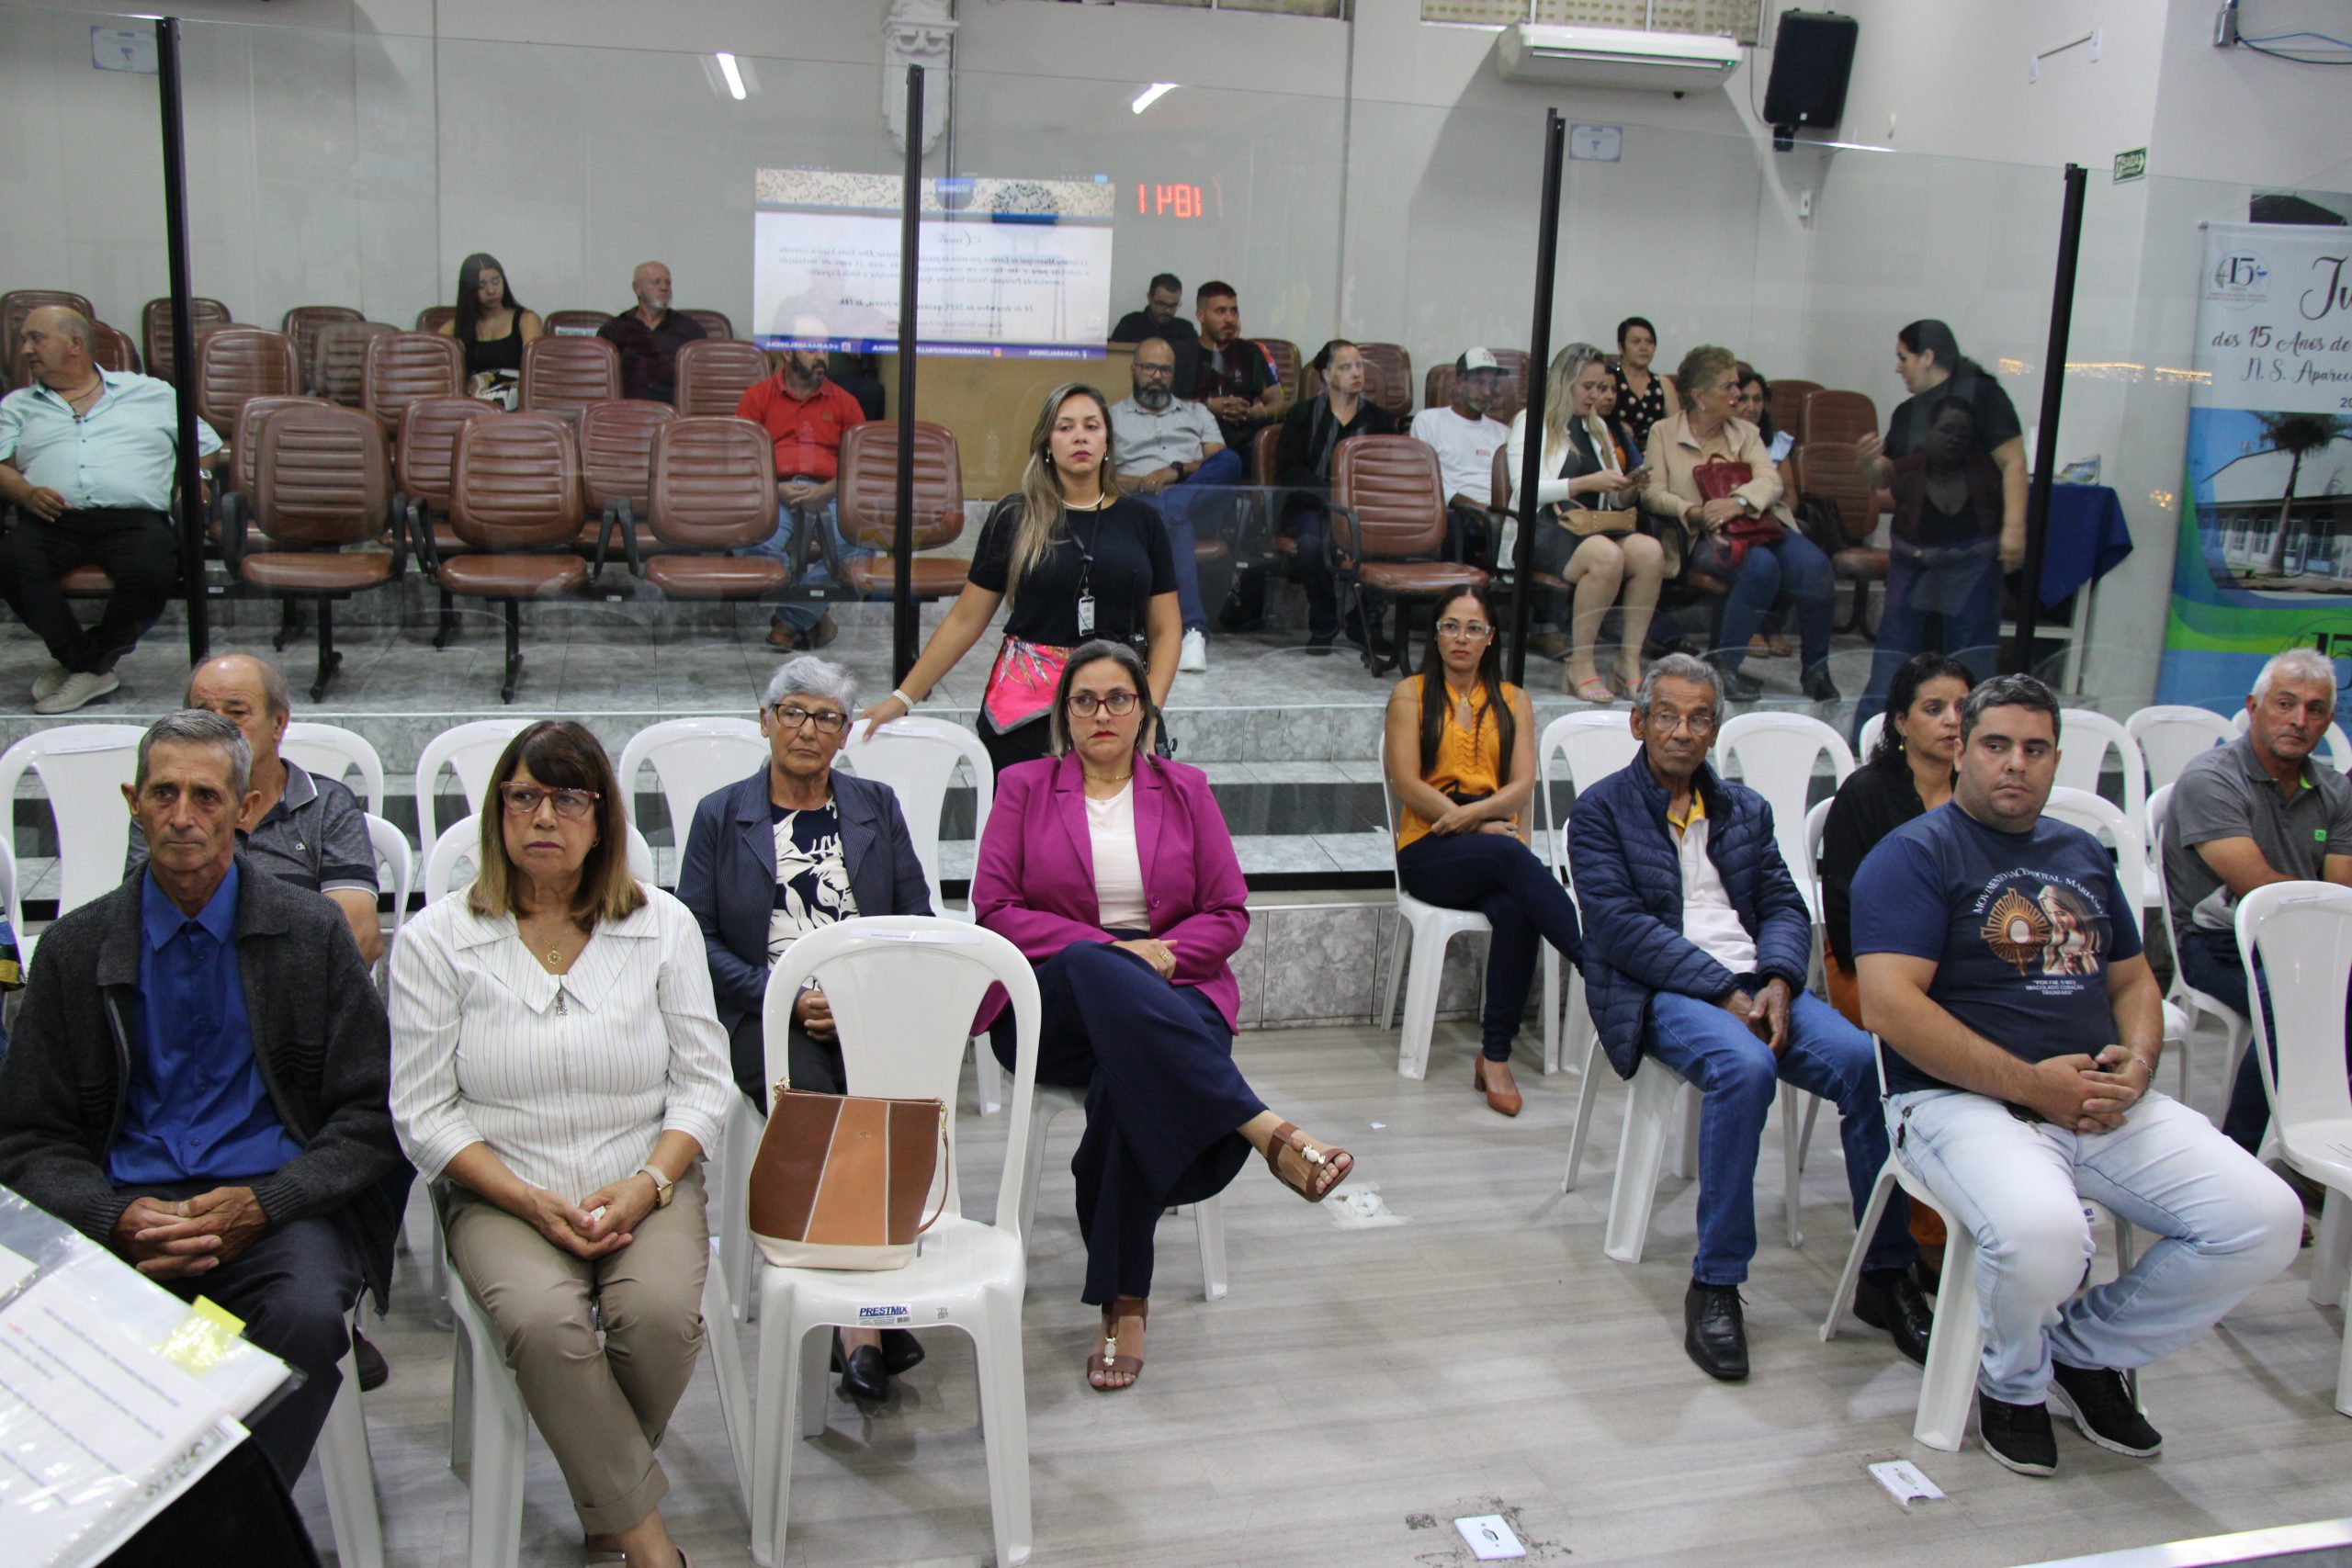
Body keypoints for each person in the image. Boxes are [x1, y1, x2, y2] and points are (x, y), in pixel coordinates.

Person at [1853, 673, 2301, 1477]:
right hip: (1958, 1103)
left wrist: (2138, 1060)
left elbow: (2133, 983)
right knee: (2048, 1235)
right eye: (1996, 745)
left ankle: (2084, 1349)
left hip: (2096, 1098)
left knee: (2265, 1217)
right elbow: (1889, 1007)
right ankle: (2012, 1382)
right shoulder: (1914, 854)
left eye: (2035, 749)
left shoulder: (2080, 852)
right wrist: (2034, 1086)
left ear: (2056, 760)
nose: (2015, 764)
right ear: (1962, 751)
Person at [0, 711, 407, 1486]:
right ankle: (208, 1514)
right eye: (164, 793)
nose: (182, 815)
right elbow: (26, 1137)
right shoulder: (75, 950)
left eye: (206, 796)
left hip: (270, 1214)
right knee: (60, 1339)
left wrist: (266, 1202)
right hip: (127, 1215)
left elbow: (369, 1114)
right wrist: (112, 1216)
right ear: (134, 803)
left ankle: (193, 1517)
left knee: (303, 1321)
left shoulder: (310, 934)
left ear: (246, 808)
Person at [389, 720, 730, 1568]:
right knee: (545, 1322)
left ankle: (604, 1496)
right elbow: (423, 1111)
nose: (545, 816)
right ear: (497, 812)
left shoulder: (663, 925)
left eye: (569, 798)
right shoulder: (437, 938)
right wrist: (527, 1199)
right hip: (501, 1187)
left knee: (658, 1318)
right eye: (525, 796)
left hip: (644, 1175)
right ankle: (647, 1543)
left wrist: (648, 1183)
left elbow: (704, 1084)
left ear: (602, 817)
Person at [973, 639, 1353, 1390]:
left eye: (1119, 698)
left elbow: (1228, 911)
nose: (1102, 713)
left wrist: (1166, 958)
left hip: (1173, 990)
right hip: (1053, 1005)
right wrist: (1116, 951)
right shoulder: (1022, 786)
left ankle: (1123, 1303)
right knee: (1093, 962)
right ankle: (1262, 1127)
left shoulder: (1186, 789)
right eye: (1085, 699)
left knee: (1127, 1085)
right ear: (1064, 714)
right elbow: (997, 909)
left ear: (1144, 712)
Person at [1570, 654, 1926, 1382]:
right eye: (1667, 715)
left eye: (1699, 717)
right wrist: (1723, 992)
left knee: (1866, 1063)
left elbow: (1785, 905)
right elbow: (1619, 929)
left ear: (1715, 730)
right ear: (1638, 722)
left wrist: (1779, 981)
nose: (1682, 731)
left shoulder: (1744, 809)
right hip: (1661, 988)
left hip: (1757, 985)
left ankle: (1885, 1271)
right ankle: (1717, 1282)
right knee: (1745, 1065)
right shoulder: (1601, 811)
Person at [675, 655, 934, 1404]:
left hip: (868, 1008)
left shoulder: (876, 805)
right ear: (766, 721)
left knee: (892, 1100)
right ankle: (862, 1325)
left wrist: (856, 997)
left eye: (826, 717)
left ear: (846, 733)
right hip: (764, 1012)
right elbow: (695, 935)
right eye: (793, 711)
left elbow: (915, 917)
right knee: (821, 1104)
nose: (808, 729)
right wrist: (785, 995)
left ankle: (862, 1301)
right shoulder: (721, 815)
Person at [854, 383, 1181, 774]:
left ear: (1107, 441)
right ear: (1046, 443)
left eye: (1092, 426)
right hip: (1025, 712)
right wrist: (903, 697)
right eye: (1065, 427)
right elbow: (965, 619)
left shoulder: (1143, 521)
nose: (1080, 436)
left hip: (1116, 709)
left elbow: (1166, 630)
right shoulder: (1014, 518)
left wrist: (1150, 712)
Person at [1382, 587, 1583, 1116]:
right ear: (1435, 634)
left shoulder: (1515, 700)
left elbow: (1521, 785)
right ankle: (1597, 962)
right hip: (1429, 844)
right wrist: (1468, 821)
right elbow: (1406, 783)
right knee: (1510, 856)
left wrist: (1479, 820)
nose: (1461, 638)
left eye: (1474, 628)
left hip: (1489, 837)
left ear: (1490, 638)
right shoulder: (1410, 694)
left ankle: (1495, 1057)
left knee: (1517, 907)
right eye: (1450, 626)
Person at [2161, 649, 2352, 1155]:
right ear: (2254, 707)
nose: (2299, 720)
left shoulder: (2335, 790)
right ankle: (2241, 1153)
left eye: (2315, 709)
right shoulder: (2212, 777)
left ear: (2328, 720)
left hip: (2307, 945)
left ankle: (2315, 1148)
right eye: (2285, 703)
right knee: (2297, 1003)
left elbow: (2342, 893)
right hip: (2219, 944)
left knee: (2330, 997)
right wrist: (2322, 911)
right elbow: (2260, 887)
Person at [0, 305, 221, 714]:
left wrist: (199, 480)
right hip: (51, 517)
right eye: (24, 341)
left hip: (133, 520)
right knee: (11, 563)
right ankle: (89, 665)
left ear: (75, 344)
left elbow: (204, 445)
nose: (26, 349)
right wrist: (25, 493)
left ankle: (83, 666)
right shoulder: (17, 405)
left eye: (36, 339)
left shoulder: (151, 393)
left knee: (151, 571)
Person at [130, 654, 383, 967]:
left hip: (300, 989)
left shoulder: (326, 804)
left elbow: (357, 937)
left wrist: (258, 987)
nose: (219, 728)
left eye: (236, 713)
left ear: (278, 723)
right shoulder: (166, 810)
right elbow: (142, 924)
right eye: (203, 715)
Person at [1642, 344, 1838, 703]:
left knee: (1817, 567)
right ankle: (1724, 668)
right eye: (1728, 387)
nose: (1737, 394)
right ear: (1700, 397)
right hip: (1702, 534)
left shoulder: (1746, 432)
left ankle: (1816, 669)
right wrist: (1694, 511)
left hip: (1759, 523)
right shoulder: (1663, 432)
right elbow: (1653, 494)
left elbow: (1771, 480)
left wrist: (1738, 503)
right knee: (1760, 566)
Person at [1855, 320, 2029, 724]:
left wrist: (2014, 529)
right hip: (1912, 555)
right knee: (1894, 654)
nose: (1898, 368)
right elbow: (1887, 475)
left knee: (1969, 657)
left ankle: (1977, 735)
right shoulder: (1907, 412)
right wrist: (1867, 464)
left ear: (1928, 357)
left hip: (1971, 553)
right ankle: (1872, 737)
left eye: (1903, 358)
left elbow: (2014, 461)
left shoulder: (1984, 396)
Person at [1504, 342, 1659, 701]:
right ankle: (1580, 663)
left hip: (1594, 524)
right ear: (1565, 383)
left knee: (1650, 552)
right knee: (1607, 556)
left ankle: (1627, 661)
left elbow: (1613, 498)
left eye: (1601, 387)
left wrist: (1628, 488)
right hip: (1546, 527)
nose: (1596, 396)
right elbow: (1525, 490)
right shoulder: (1532, 421)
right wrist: (1584, 483)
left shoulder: (1597, 426)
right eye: (1588, 387)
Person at [736, 316, 867, 651]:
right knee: (749, 541)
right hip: (774, 493)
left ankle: (790, 619)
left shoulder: (846, 402)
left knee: (861, 542)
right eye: (811, 347)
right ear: (787, 353)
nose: (821, 355)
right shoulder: (757, 397)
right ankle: (814, 615)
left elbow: (858, 466)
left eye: (825, 347)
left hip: (829, 494)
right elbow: (743, 459)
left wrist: (826, 490)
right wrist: (774, 488)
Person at [1110, 335, 1238, 673]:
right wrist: (1142, 482)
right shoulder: (1112, 418)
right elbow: (1104, 477)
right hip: (1142, 506)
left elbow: (1218, 462)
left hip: (1195, 499)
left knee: (1231, 460)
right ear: (1134, 370)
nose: (1157, 376)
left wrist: (1175, 472)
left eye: (1165, 370)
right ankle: (1193, 630)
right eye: (1149, 368)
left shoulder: (1197, 413)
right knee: (1172, 518)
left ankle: (1174, 503)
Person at [1272, 339, 1397, 653]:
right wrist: (1328, 496)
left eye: (1359, 366)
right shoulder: (1302, 414)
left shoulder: (1380, 419)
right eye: (1346, 367)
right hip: (1311, 503)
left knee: (1390, 542)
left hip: (1364, 506)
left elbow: (1388, 472)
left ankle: (1365, 623)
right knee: (1310, 544)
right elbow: (1289, 470)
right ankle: (1323, 621)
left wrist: (1359, 499)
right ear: (1326, 375)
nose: (1356, 373)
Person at [1410, 348, 1512, 569]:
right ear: (1459, 383)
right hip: (1453, 510)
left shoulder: (1503, 433)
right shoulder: (1429, 421)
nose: (1488, 392)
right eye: (1479, 383)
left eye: (1493, 384)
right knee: (1460, 525)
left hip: (1496, 512)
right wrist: (1471, 505)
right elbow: (1424, 480)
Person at [1188, 279, 1286, 452]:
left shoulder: (1249, 352)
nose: (1229, 319)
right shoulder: (1183, 354)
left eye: (1234, 311)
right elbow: (1166, 405)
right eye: (1220, 311)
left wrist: (1255, 413)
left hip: (1245, 441)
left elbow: (1278, 401)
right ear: (1201, 315)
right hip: (1197, 442)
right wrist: (1208, 406)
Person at [436, 251, 543, 409]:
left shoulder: (526, 320)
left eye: (496, 281)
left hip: (517, 402)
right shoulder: (453, 328)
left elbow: (535, 371)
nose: (491, 291)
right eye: (481, 286)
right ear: (469, 290)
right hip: (472, 404)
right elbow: (439, 374)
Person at [597, 260, 706, 405]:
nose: (664, 288)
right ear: (637, 289)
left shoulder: (691, 329)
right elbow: (599, 381)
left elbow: (702, 381)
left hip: (674, 411)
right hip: (625, 411)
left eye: (668, 283)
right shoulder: (614, 329)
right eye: (656, 282)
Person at [1108, 271, 1200, 391]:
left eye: (1173, 306)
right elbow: (1113, 363)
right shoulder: (1129, 324)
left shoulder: (1186, 330)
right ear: (1149, 298)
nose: (1167, 310)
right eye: (1161, 304)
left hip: (1175, 393)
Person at [1610, 316, 1681, 457]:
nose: (1644, 347)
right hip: (1617, 453)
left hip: (1656, 454)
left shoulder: (1662, 383)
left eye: (1649, 342)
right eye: (1636, 342)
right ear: (1621, 347)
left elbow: (1676, 429)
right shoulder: (1610, 379)